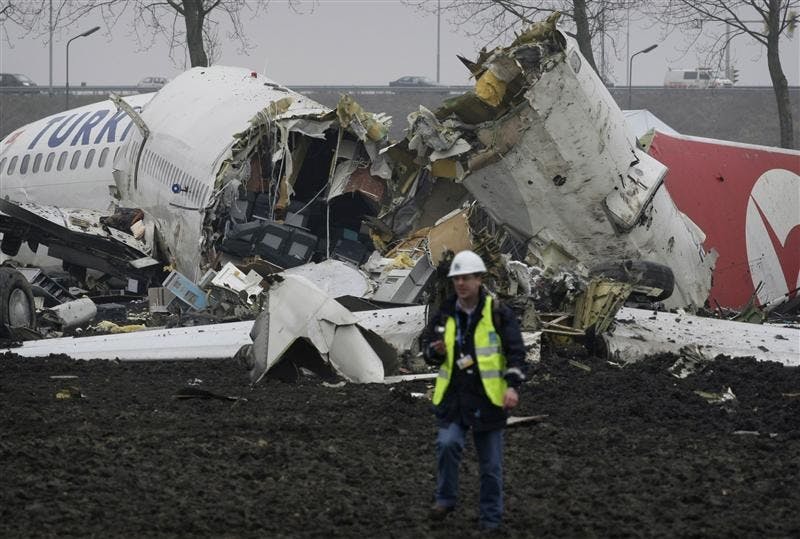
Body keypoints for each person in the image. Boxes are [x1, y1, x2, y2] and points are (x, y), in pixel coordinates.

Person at [422, 250, 526, 531]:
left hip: (488, 399)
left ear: (479, 279)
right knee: (447, 444)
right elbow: (427, 348)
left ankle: (490, 520)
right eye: (457, 279)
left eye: (466, 278)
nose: (460, 284)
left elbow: (516, 353)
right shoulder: (445, 313)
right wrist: (434, 350)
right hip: (454, 397)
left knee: (491, 467)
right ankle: (445, 500)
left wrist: (512, 387)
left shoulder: (498, 314)